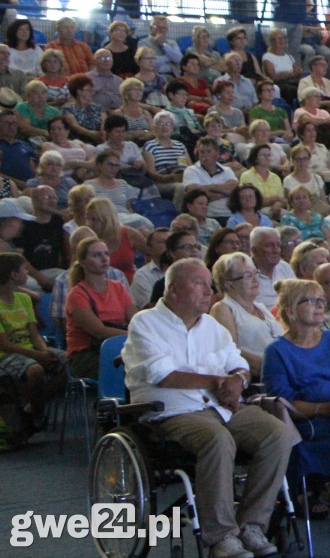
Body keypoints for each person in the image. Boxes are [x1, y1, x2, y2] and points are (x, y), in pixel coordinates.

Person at [123, 258, 290, 558]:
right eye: (198, 283)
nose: (207, 290)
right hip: (172, 412)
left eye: (208, 284)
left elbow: (238, 364)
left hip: (223, 407)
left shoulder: (211, 326)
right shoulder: (145, 322)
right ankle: (221, 536)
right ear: (172, 289)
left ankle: (252, 525)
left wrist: (237, 381)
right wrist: (219, 382)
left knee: (277, 433)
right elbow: (164, 375)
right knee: (217, 438)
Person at [0, 252, 66, 437]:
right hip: (5, 355)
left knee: (68, 360)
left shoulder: (24, 299)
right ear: (14, 275)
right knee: (35, 370)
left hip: (30, 350)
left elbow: (34, 334)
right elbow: (5, 345)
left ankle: (32, 408)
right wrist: (38, 356)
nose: (27, 274)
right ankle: (36, 413)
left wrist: (45, 352)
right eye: (24, 270)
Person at [65, 237, 137, 379]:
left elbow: (135, 320)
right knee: (133, 370)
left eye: (106, 254)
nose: (104, 259)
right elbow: (99, 332)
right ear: (83, 262)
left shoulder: (118, 287)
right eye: (97, 255)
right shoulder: (77, 294)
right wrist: (137, 335)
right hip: (87, 354)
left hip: (119, 346)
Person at [250, 226, 295, 308]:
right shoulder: (244, 273)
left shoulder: (285, 267)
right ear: (254, 250)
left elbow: (295, 298)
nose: (276, 250)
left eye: (278, 245)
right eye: (269, 246)